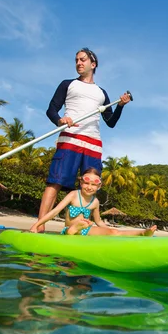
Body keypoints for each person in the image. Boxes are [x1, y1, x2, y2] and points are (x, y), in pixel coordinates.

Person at [36, 47, 132, 232]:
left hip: (93, 144)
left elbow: (110, 123)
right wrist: (60, 120)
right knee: (55, 181)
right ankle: (39, 227)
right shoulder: (67, 84)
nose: (78, 63)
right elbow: (51, 109)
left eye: (83, 60)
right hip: (70, 139)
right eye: (76, 60)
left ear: (93, 64)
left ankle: (82, 228)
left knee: (90, 184)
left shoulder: (102, 93)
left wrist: (120, 106)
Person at [30, 168, 156, 236]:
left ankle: (142, 233)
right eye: (86, 183)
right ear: (81, 183)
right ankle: (74, 229)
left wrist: (108, 228)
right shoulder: (73, 195)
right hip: (69, 228)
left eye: (93, 185)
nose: (89, 187)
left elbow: (98, 221)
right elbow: (55, 211)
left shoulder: (95, 202)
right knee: (73, 230)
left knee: (113, 232)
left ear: (99, 187)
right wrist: (36, 225)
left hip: (86, 230)